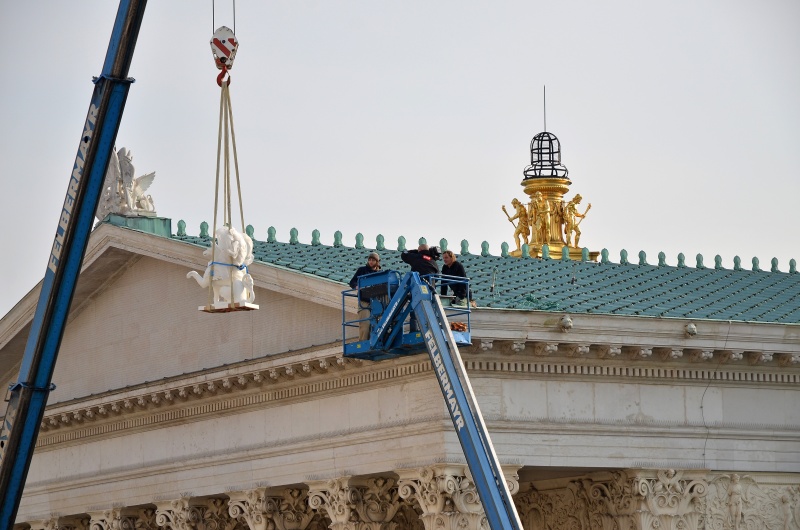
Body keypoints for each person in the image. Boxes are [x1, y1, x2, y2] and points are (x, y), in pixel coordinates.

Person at [401, 244, 440, 331]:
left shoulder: (416, 257)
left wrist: (414, 251)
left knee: (415, 310)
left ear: (420, 250)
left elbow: (404, 255)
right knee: (429, 310)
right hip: (430, 290)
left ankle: (414, 330)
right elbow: (437, 276)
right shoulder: (433, 261)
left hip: (417, 288)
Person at [348, 252, 381, 341]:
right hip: (364, 301)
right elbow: (352, 282)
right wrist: (357, 286)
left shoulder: (380, 273)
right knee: (365, 324)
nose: (370, 262)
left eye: (373, 260)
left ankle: (375, 341)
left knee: (378, 323)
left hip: (376, 301)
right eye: (369, 260)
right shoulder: (362, 270)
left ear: (377, 262)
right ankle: (363, 343)